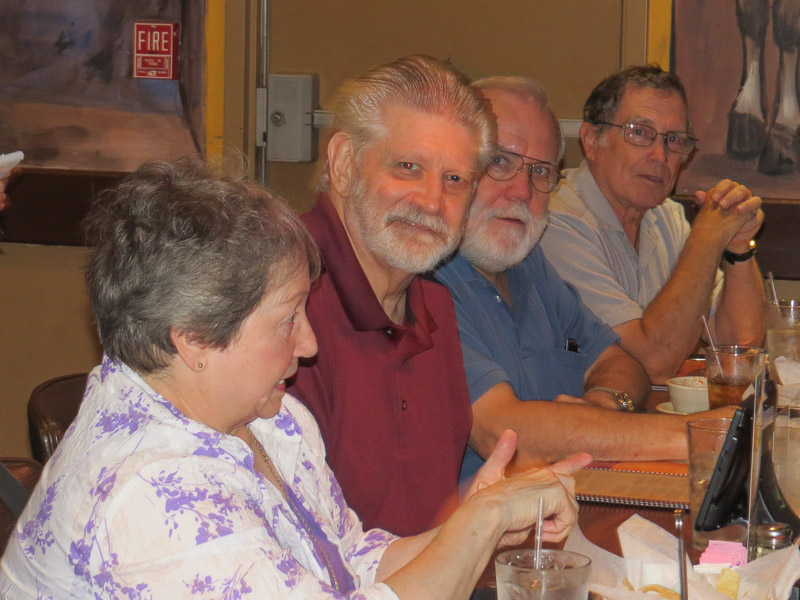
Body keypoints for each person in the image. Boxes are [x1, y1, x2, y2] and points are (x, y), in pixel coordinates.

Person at [0, 156, 587, 599]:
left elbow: (347, 563)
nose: (308, 344)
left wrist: (468, 528)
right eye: (287, 320)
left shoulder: (269, 419)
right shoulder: (155, 499)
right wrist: (477, 528)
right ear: (194, 338)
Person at [436, 76, 730, 477]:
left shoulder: (528, 265)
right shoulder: (425, 279)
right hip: (468, 527)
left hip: (561, 503)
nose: (522, 191)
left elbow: (623, 363)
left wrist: (604, 406)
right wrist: (704, 435)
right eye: (500, 161)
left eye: (540, 171)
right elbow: (502, 434)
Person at [290, 55, 492, 536]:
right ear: (342, 164)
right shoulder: (283, 305)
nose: (431, 201)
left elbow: (425, 519)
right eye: (407, 167)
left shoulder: (435, 309)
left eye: (455, 180)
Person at [540, 64, 765, 384]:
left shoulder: (666, 216)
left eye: (674, 139)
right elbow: (651, 363)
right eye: (639, 132)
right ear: (591, 140)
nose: (660, 154)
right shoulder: (557, 225)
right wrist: (707, 235)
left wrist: (738, 248)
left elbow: (739, 348)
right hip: (574, 420)